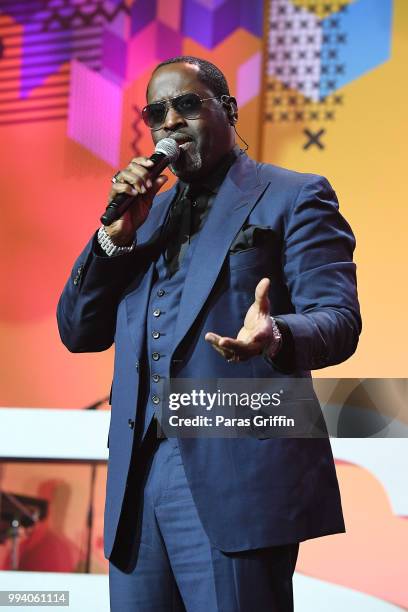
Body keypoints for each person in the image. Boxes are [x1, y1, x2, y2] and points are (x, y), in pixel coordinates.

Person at [57, 56, 361, 611]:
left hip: (238, 473)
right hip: (139, 479)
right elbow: (78, 331)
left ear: (228, 109)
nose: (170, 121)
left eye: (187, 104)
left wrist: (276, 333)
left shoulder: (294, 195)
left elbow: (339, 321)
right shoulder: (144, 216)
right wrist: (113, 237)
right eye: (157, 112)